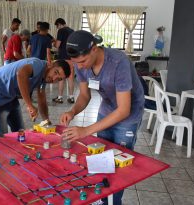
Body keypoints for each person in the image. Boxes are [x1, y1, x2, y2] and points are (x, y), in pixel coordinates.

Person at [60, 30, 144, 205]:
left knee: (119, 164)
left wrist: (86, 130)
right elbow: (84, 96)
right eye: (77, 63)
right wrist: (72, 111)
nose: (80, 67)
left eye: (82, 61)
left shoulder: (118, 62)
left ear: (94, 49)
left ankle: (113, 202)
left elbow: (123, 110)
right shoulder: (80, 63)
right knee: (102, 158)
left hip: (128, 115)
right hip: (107, 109)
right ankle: (102, 197)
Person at [0, 58, 71, 137]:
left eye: (58, 79)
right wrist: (29, 105)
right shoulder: (38, 65)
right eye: (56, 72)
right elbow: (21, 74)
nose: (54, 78)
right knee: (1, 135)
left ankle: (18, 154)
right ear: (50, 65)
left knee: (20, 130)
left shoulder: (44, 78)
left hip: (10, 96)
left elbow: (42, 100)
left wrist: (46, 120)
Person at [52, 18, 75, 104]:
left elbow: (57, 45)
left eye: (57, 26)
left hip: (63, 57)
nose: (57, 28)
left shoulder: (61, 31)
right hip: (71, 58)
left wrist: (53, 43)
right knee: (71, 78)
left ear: (59, 24)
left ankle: (60, 97)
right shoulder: (72, 31)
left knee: (61, 77)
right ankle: (71, 97)